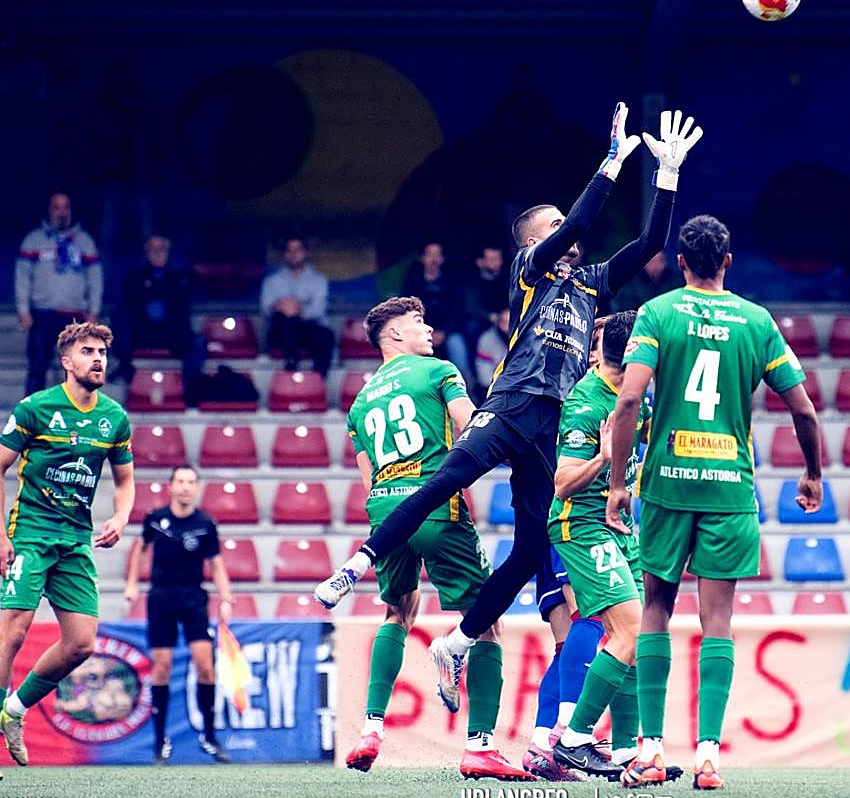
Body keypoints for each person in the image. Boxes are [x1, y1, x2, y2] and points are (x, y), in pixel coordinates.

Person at [314, 105, 702, 716]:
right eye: (552, 226)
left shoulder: (594, 282)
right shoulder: (531, 270)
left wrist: (668, 174)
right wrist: (612, 162)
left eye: (561, 226)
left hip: (555, 422)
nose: (565, 232)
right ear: (534, 240)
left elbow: (652, 242)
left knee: (529, 547)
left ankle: (459, 640)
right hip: (513, 402)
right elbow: (576, 223)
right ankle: (358, 563)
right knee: (447, 478)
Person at [606, 215, 823, 790]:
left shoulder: (657, 313)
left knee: (655, 608)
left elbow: (628, 401)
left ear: (680, 262)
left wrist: (618, 486)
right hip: (729, 488)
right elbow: (803, 410)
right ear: (729, 261)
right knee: (718, 620)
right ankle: (708, 757)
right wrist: (812, 473)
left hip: (667, 483)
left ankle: (650, 750)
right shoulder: (757, 321)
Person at [339, 297, 531, 782]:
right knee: (485, 622)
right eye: (418, 322)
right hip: (437, 507)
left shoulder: (361, 402)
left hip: (387, 515)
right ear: (395, 336)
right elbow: (472, 427)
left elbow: (367, 479)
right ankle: (480, 745)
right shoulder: (438, 371)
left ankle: (371, 727)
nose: (429, 329)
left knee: (398, 613)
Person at [0, 321, 133, 782]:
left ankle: (14, 708)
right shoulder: (36, 408)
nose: (98, 359)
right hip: (29, 532)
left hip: (75, 540)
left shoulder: (114, 417)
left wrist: (121, 516)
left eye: (103, 352)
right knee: (15, 631)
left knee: (82, 643)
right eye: (88, 352)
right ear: (66, 361)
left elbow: (126, 481)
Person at [540, 310, 651, 778]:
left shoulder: (635, 398)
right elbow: (563, 482)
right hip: (580, 523)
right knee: (628, 630)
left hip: (620, 524)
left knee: (637, 636)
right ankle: (573, 738)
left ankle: (626, 751)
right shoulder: (586, 403)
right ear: (629, 353)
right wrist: (604, 457)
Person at [123, 465, 233, 764]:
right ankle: (160, 741)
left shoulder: (206, 524)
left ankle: (209, 737)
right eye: (180, 481)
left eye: (191, 482)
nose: (185, 487)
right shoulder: (155, 519)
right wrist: (132, 583)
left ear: (197, 487)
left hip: (194, 597)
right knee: (162, 668)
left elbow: (217, 563)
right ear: (170, 486)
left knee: (205, 666)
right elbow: (140, 549)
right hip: (161, 597)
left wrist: (226, 598)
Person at [15, 193, 104, 396]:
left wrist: (94, 310)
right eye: (57, 208)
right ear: (49, 210)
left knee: (76, 370)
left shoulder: (84, 241)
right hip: (42, 313)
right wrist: (23, 310)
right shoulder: (33, 240)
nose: (61, 213)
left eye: (65, 208)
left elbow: (95, 278)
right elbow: (22, 277)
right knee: (37, 366)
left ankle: (74, 414)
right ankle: (32, 415)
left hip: (75, 316)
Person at [113, 234, 205, 385]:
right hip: (143, 333)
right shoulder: (134, 277)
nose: (157, 252)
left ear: (168, 252)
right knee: (121, 315)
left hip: (170, 334)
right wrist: (157, 287)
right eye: (152, 249)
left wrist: (156, 286)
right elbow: (130, 298)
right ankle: (125, 369)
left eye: (161, 249)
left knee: (197, 342)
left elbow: (182, 300)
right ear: (146, 252)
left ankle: (191, 389)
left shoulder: (180, 277)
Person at [260, 237, 335, 377]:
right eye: (289, 250)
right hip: (281, 332)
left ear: (305, 253)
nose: (293, 254)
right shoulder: (271, 281)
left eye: (297, 250)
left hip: (308, 330)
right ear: (284, 254)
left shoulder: (319, 280)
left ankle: (319, 380)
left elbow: (318, 310)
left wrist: (298, 309)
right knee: (288, 321)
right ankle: (291, 366)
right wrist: (283, 307)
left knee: (325, 335)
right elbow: (266, 308)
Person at [401, 242, 473, 386]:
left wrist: (444, 332)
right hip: (419, 331)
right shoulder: (411, 281)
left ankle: (466, 391)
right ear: (422, 258)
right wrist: (424, 331)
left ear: (442, 259)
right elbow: (406, 311)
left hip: (448, 331)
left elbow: (458, 311)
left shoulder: (452, 281)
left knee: (457, 346)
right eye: (430, 254)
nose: (434, 259)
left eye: (437, 255)